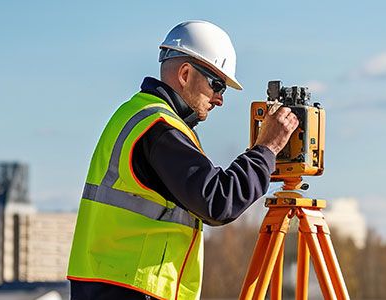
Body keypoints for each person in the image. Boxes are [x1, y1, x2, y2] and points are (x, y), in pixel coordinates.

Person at [66, 20, 298, 300]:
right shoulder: (159, 127)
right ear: (186, 74)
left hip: (112, 286)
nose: (219, 100)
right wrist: (266, 150)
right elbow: (218, 201)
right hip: (131, 289)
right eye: (217, 85)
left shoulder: (138, 114)